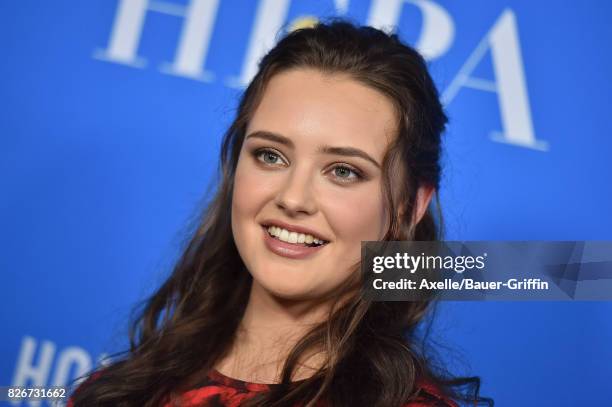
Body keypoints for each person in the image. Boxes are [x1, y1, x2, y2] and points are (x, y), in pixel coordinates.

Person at [67, 19, 491, 407]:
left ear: (408, 206)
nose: (293, 198)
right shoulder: (116, 389)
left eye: (343, 171)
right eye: (271, 156)